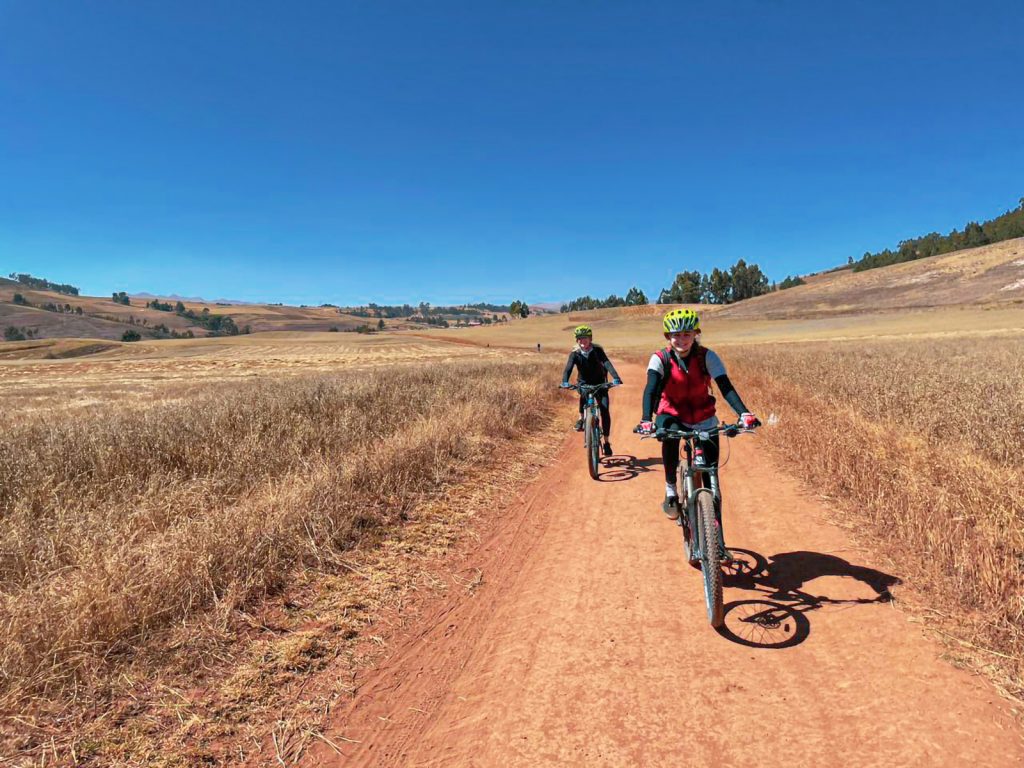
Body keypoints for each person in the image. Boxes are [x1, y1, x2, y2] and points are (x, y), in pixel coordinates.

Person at [635, 308, 760, 519]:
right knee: (670, 437)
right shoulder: (660, 359)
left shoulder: (707, 357)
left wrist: (744, 413)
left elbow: (725, 386)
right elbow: (651, 389)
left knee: (712, 473)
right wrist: (646, 419)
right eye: (676, 335)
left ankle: (715, 530)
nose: (681, 340)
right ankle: (671, 490)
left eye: (687, 334)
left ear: (695, 334)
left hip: (703, 415)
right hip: (672, 412)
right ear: (668, 336)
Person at [560, 325, 622, 457]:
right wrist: (564, 381)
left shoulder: (598, 350)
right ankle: (581, 418)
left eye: (585, 339)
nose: (583, 341)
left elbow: (607, 363)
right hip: (584, 383)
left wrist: (616, 377)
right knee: (583, 392)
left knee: (604, 409)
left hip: (600, 383)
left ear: (590, 339)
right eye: (580, 339)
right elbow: (568, 368)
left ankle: (606, 442)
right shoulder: (575, 354)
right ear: (577, 340)